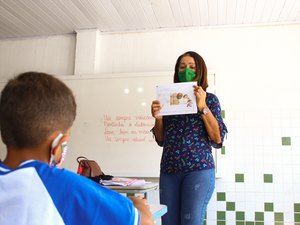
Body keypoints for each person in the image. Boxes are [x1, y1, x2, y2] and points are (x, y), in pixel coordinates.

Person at [0, 72, 154, 225]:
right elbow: (145, 222)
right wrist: (139, 204)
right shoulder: (67, 186)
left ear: (4, 134)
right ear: (57, 144)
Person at [151, 51, 228, 225]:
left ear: (200, 70)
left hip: (198, 170)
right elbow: (161, 139)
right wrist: (158, 119)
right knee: (168, 222)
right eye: (182, 67)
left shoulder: (210, 100)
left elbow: (217, 139)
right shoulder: (168, 99)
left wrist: (203, 107)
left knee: (191, 222)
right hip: (169, 171)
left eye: (192, 67)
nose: (187, 70)